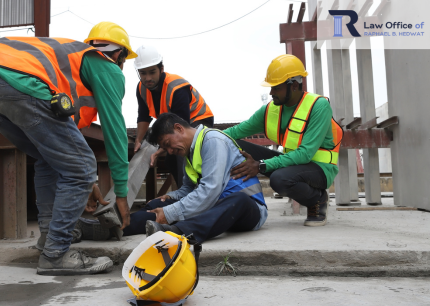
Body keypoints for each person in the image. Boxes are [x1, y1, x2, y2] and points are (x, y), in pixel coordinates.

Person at [0, 21, 137, 275]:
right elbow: (115, 130)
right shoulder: (106, 66)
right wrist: (121, 192)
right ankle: (56, 254)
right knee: (83, 166)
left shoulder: (72, 63)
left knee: (49, 160)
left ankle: (49, 241)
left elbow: (64, 151)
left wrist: (87, 182)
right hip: (21, 87)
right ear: (119, 55)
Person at [224, 54, 343, 227]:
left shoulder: (318, 106)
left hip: (319, 169)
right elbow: (235, 132)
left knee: (279, 180)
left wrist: (261, 165)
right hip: (294, 164)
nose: (271, 92)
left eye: (276, 87)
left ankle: (317, 199)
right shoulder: (271, 109)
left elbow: (305, 154)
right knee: (234, 144)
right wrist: (202, 137)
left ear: (294, 85)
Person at [122, 113, 267, 244]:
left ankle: (177, 231)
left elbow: (210, 190)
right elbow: (188, 189)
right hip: (213, 206)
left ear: (179, 128)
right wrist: (170, 197)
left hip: (247, 209)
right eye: (166, 149)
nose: (170, 151)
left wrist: (170, 212)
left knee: (239, 200)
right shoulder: (189, 153)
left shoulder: (213, 140)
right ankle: (119, 226)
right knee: (158, 204)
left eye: (167, 144)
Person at [133, 45, 214, 187]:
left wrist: (158, 152)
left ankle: (195, 194)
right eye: (143, 73)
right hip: (174, 125)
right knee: (170, 161)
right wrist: (138, 140)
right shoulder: (141, 89)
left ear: (161, 69)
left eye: (152, 72)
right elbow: (144, 116)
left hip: (198, 120)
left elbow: (181, 129)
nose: (148, 78)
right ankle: (184, 192)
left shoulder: (176, 87)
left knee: (180, 154)